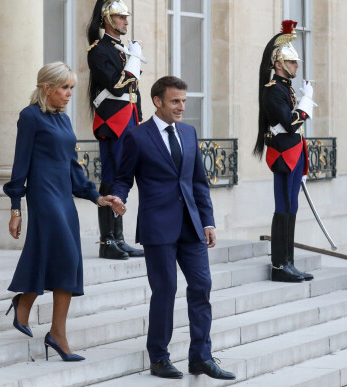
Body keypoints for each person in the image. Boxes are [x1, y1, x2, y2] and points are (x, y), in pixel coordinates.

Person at [110, 76, 235, 380]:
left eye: (184, 101)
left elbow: (197, 183)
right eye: (175, 101)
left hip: (191, 226)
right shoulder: (137, 137)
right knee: (165, 290)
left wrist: (207, 221)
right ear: (158, 102)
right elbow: (123, 177)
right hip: (158, 227)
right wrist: (119, 197)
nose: (181, 107)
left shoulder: (189, 133)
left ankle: (201, 358)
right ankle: (159, 357)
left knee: (202, 286)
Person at [3, 62, 116, 361]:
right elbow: (20, 164)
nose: (69, 94)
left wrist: (95, 196)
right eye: (64, 88)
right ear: (46, 87)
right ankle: (47, 324)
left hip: (63, 198)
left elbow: (71, 165)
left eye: (71, 88)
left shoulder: (64, 121)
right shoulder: (30, 117)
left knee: (63, 258)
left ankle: (49, 325)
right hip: (42, 196)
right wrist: (16, 207)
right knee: (64, 255)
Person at [253, 20, 315, 283]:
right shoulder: (273, 91)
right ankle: (279, 265)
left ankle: (288, 261)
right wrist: (306, 104)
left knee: (292, 207)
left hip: (295, 152)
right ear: (278, 64)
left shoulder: (285, 89)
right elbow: (290, 123)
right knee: (284, 207)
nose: (296, 66)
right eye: (291, 62)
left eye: (296, 62)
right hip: (283, 154)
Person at [86, 0, 144, 260]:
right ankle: (107, 240)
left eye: (125, 17)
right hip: (112, 121)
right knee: (110, 177)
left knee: (124, 176)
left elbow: (134, 92)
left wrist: (138, 119)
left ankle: (119, 238)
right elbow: (118, 86)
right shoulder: (99, 50)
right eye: (121, 17)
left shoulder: (123, 49)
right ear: (108, 20)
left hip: (128, 118)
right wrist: (133, 60)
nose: (126, 22)